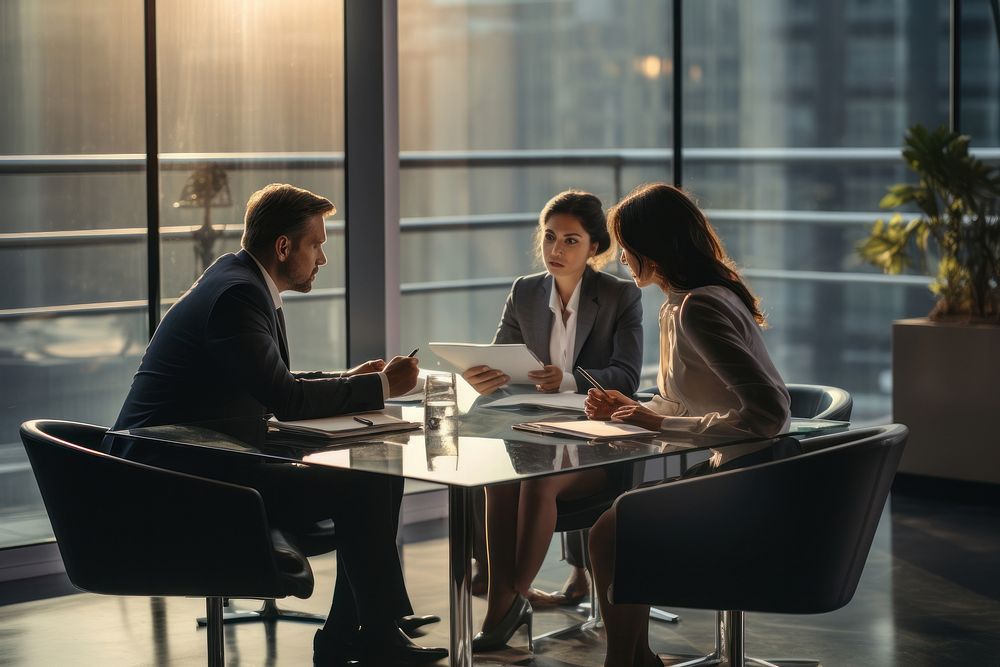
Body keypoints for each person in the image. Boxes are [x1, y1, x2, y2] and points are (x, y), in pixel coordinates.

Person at [109, 183, 446, 666]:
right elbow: (286, 399)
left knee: (376, 474)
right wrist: (384, 388)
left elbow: (269, 383)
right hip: (177, 475)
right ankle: (369, 636)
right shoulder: (238, 296)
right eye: (317, 244)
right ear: (284, 247)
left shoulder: (238, 279)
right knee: (367, 482)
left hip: (198, 457)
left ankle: (357, 633)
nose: (323, 259)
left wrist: (347, 380)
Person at [583, 183, 791, 667]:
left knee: (612, 530)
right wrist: (631, 406)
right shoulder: (677, 304)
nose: (622, 260)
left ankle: (626, 660)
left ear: (651, 249)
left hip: (752, 476)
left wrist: (656, 421)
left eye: (627, 247)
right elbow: (688, 401)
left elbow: (768, 415)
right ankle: (636, 659)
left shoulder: (699, 306)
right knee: (613, 527)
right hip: (732, 468)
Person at [464, 190, 643, 651]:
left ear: (594, 248)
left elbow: (626, 376)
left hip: (598, 442)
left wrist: (565, 381)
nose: (555, 251)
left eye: (570, 241)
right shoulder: (525, 292)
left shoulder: (620, 296)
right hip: (534, 433)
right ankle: (502, 607)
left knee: (539, 482)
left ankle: (512, 596)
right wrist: (488, 377)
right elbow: (503, 359)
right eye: (548, 238)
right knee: (499, 479)